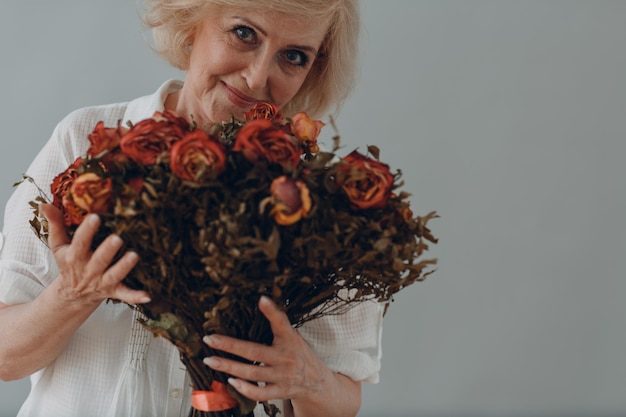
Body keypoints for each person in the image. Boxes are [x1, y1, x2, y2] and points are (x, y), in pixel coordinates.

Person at [0, 1, 384, 416]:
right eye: (244, 33)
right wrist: (73, 294)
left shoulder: (317, 198)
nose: (257, 77)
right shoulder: (84, 143)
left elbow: (342, 401)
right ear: (190, 24)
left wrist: (309, 379)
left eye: (293, 56)